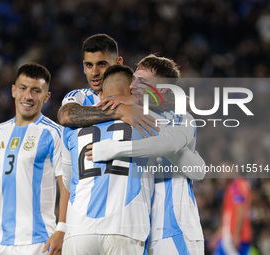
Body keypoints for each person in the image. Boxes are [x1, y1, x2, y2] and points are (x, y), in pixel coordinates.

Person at [87, 55, 205, 254]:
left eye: (142, 81)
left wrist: (114, 149)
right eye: (134, 79)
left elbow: (171, 147)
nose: (132, 86)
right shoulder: (130, 120)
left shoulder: (181, 118)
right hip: (141, 230)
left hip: (174, 229)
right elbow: (197, 168)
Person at [0, 62, 69, 255]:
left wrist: (62, 228)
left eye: (36, 91)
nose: (28, 96)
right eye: (23, 88)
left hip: (36, 241)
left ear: (46, 96)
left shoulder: (54, 133)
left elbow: (66, 183)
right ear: (14, 91)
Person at [61, 65, 153, 255]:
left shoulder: (71, 128)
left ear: (101, 94)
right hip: (124, 226)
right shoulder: (146, 120)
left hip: (78, 228)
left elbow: (66, 179)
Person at [57, 33, 155, 137]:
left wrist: (133, 99)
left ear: (118, 63)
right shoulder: (79, 96)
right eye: (89, 65)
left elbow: (170, 99)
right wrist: (119, 111)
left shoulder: (139, 90)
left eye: (102, 64)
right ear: (84, 67)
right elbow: (66, 116)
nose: (94, 72)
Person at [211, 175, 252, 255]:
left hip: (236, 237)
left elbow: (240, 211)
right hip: (228, 236)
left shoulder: (238, 185)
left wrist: (236, 235)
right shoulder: (230, 187)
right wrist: (217, 235)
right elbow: (227, 216)